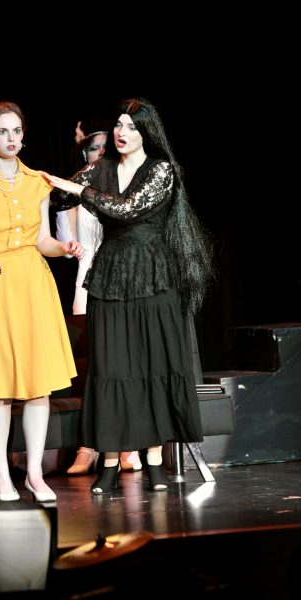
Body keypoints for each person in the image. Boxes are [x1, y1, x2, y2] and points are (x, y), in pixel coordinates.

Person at [44, 97, 214, 494]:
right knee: (112, 369)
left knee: (153, 366)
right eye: (119, 126)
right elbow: (59, 198)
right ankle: (108, 460)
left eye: (131, 127)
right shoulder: (99, 169)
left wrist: (79, 190)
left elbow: (128, 209)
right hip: (112, 273)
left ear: (146, 134)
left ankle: (154, 460)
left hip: (154, 275)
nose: (122, 133)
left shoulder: (162, 170)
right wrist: (66, 186)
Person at [0, 100, 84, 502]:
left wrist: (64, 247)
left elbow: (42, 241)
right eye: (3, 132)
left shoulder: (37, 183)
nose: (11, 139)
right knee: (1, 388)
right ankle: (0, 470)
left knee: (39, 386)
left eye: (17, 131)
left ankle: (34, 474)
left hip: (34, 286)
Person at [56, 119, 142, 475]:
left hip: (124, 278)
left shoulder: (125, 184)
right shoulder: (76, 191)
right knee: (96, 368)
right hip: (88, 280)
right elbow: (65, 244)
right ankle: (90, 444)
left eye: (105, 147)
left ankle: (129, 444)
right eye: (94, 148)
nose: (102, 153)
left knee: (128, 362)